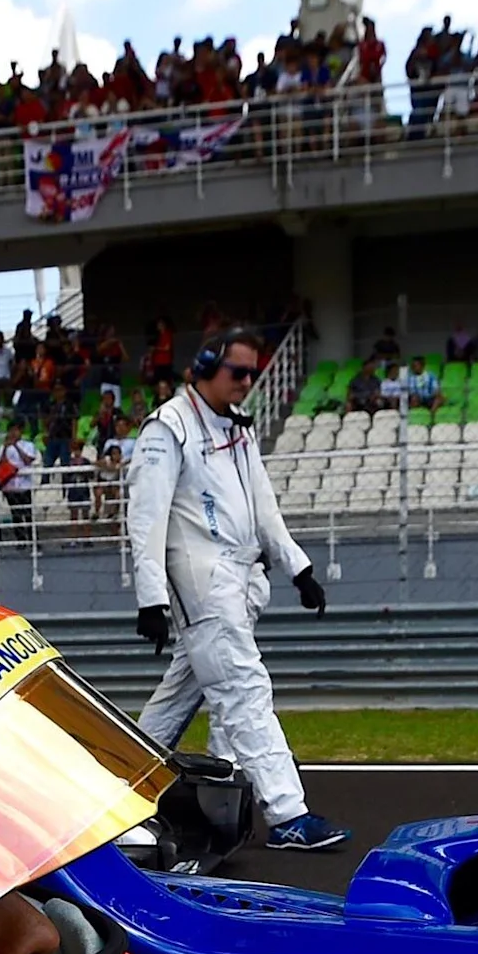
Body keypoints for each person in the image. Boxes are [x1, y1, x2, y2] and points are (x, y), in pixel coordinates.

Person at [125, 331, 346, 851]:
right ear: (204, 367)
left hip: (242, 581)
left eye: (252, 372)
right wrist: (150, 596)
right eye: (237, 373)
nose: (248, 382)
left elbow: (263, 506)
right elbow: (146, 518)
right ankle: (289, 813)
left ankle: (117, 784)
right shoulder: (168, 427)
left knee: (179, 696)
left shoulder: (235, 430)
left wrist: (299, 567)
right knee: (246, 692)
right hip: (203, 585)